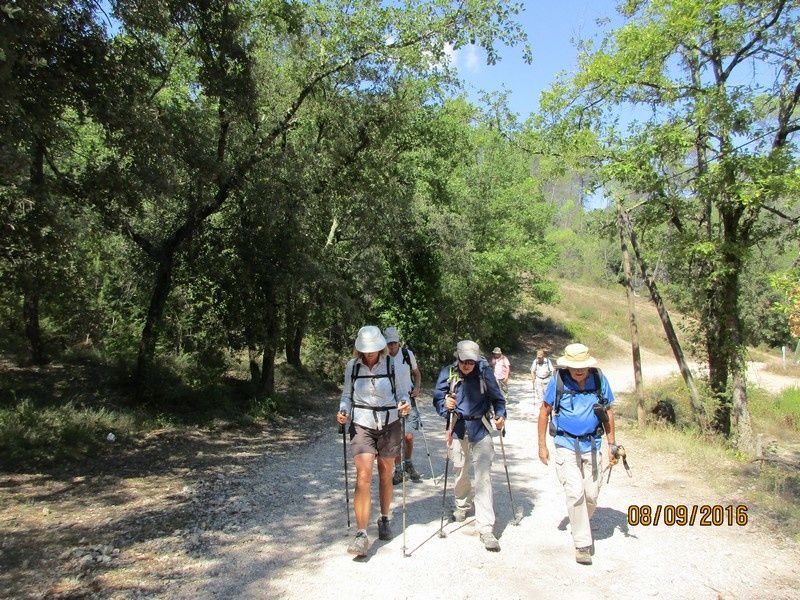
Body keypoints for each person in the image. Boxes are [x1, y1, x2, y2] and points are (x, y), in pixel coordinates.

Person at [537, 343, 617, 565]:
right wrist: (542, 445)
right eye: (574, 366)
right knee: (575, 492)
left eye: (582, 366)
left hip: (592, 444)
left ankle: (579, 520)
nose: (578, 370)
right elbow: (544, 412)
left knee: (591, 494)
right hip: (565, 442)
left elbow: (608, 411)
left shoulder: (599, 380)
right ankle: (582, 543)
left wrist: (612, 444)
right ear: (567, 366)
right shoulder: (558, 381)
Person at [337, 326, 412, 557]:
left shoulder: (391, 364)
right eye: (365, 350)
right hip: (361, 424)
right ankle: (361, 534)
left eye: (372, 350)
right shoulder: (352, 367)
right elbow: (347, 396)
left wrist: (404, 404)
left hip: (389, 423)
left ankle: (385, 517)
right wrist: (343, 411)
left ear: (379, 347)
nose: (369, 354)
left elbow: (402, 393)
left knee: (386, 473)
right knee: (363, 476)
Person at [433, 340, 506, 552]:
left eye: (470, 361)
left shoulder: (485, 373)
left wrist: (500, 416)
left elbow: (498, 400)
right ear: (458, 358)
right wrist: (444, 405)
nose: (467, 365)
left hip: (481, 428)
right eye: (463, 361)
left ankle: (485, 527)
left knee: (483, 476)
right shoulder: (448, 373)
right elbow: (438, 399)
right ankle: (462, 504)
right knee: (460, 470)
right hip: (458, 427)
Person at [383, 326, 424, 485]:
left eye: (394, 343)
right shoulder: (383, 358)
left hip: (408, 400)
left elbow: (417, 373)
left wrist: (418, 388)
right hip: (391, 403)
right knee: (395, 438)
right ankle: (398, 469)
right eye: (389, 344)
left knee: (408, 436)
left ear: (398, 342)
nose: (392, 346)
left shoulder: (407, 354)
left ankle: (408, 463)